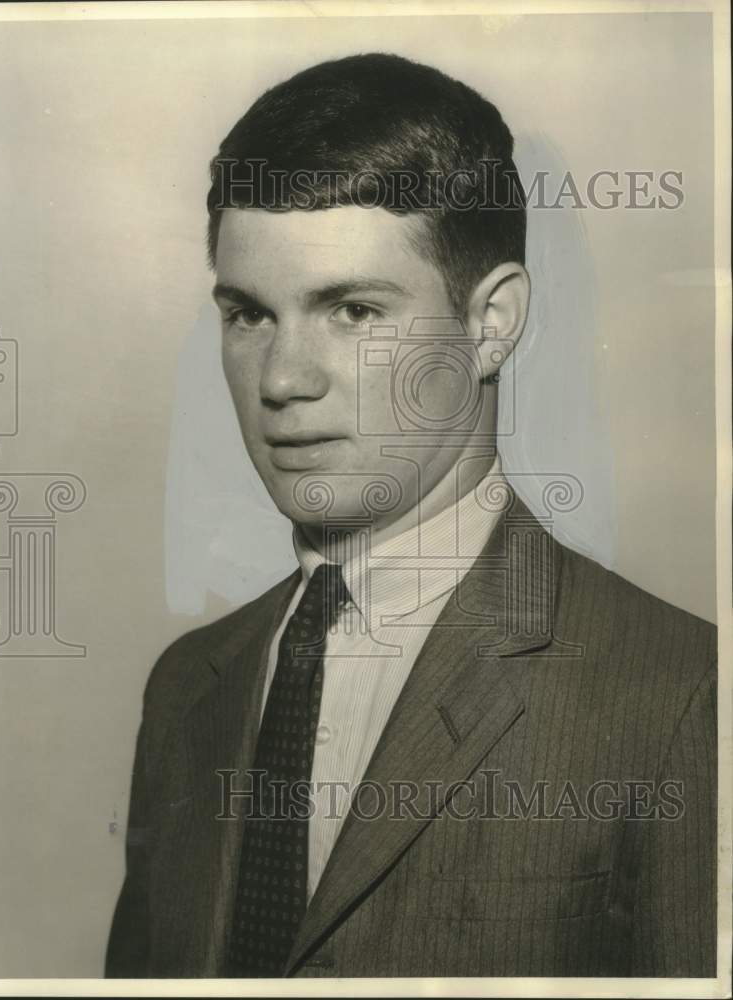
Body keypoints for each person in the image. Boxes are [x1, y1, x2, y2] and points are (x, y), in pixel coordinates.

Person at [104, 53, 717, 979]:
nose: (281, 380)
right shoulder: (188, 688)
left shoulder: (681, 695)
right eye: (247, 315)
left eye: (351, 309)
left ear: (492, 323)